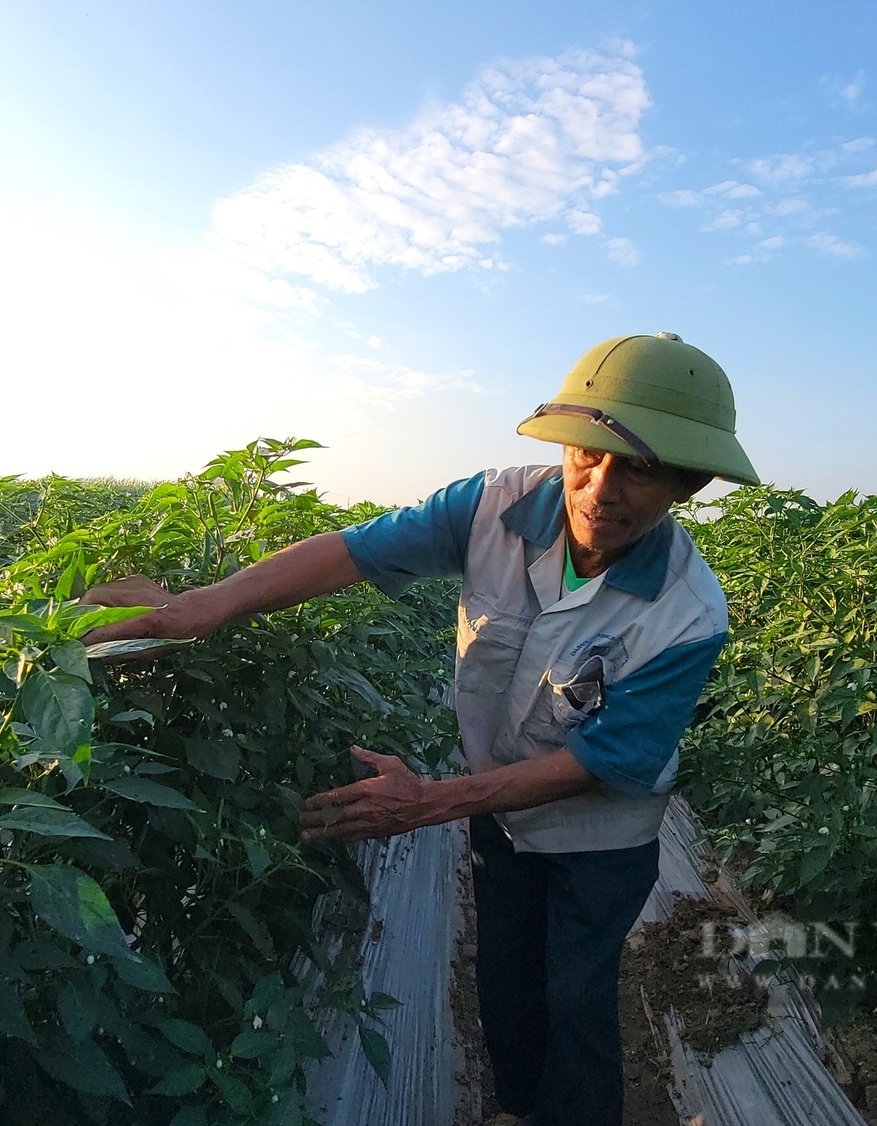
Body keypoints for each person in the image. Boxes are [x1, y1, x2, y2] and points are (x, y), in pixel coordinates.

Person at [83, 332, 759, 1126]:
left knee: (575, 995)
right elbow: (354, 551)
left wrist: (432, 802)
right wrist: (208, 604)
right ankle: (516, 1109)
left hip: (600, 833)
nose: (600, 488)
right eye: (589, 454)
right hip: (498, 812)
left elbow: (605, 759)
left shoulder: (687, 611)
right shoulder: (495, 506)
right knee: (505, 976)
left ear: (689, 483)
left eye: (639, 469)